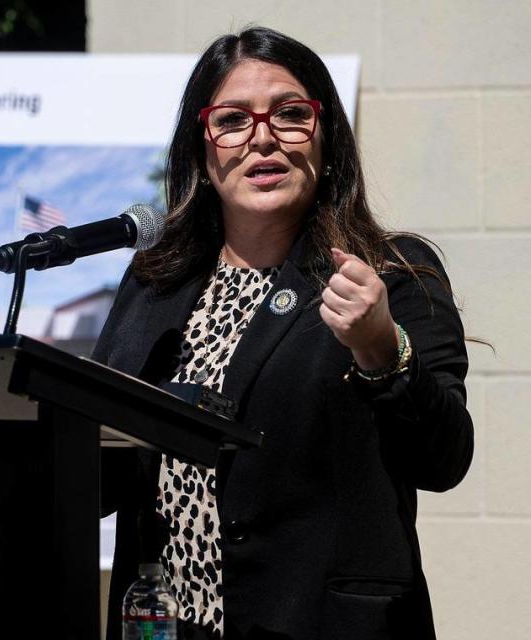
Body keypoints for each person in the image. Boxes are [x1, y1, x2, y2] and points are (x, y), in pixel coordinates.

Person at [92, 27, 473, 640]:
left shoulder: (392, 275)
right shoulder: (153, 285)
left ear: (327, 141)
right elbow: (104, 475)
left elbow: (445, 458)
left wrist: (383, 351)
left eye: (292, 114)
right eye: (233, 119)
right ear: (203, 145)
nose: (263, 137)